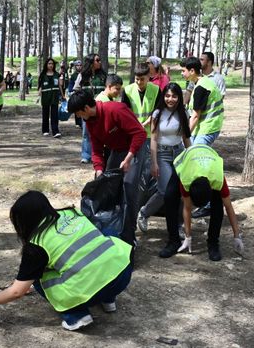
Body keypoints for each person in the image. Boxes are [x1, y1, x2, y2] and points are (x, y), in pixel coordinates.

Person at [0, 191, 133, 331]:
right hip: (123, 274)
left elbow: (17, 292)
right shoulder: (71, 212)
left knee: (39, 278)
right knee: (107, 235)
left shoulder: (36, 244)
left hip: (94, 289)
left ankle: (76, 315)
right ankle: (109, 299)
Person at [68, 90, 147, 246]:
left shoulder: (115, 110)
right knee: (106, 186)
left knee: (128, 189)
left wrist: (128, 158)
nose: (78, 116)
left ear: (86, 108)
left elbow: (140, 133)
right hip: (116, 150)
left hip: (135, 149)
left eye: (78, 113)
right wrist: (99, 169)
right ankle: (112, 227)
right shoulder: (90, 121)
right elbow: (96, 149)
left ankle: (129, 235)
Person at [159, 144, 244, 261]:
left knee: (218, 204)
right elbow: (187, 208)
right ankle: (173, 241)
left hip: (210, 160)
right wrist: (188, 237)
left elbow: (229, 207)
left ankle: (213, 243)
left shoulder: (218, 179)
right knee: (169, 197)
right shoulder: (186, 179)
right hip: (185, 160)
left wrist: (237, 236)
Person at [137, 82, 191, 233]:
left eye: (174, 96)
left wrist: (191, 155)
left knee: (182, 190)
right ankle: (144, 213)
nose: (170, 99)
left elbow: (186, 137)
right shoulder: (157, 113)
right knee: (165, 190)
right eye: (167, 96)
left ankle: (179, 225)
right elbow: (153, 139)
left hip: (179, 153)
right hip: (162, 154)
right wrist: (154, 163)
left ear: (179, 97)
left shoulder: (184, 112)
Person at [180, 57, 223, 146]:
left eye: (183, 71)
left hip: (208, 127)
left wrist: (185, 137)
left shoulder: (201, 88)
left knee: (197, 152)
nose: (182, 73)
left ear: (192, 71)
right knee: (190, 150)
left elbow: (195, 116)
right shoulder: (203, 81)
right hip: (204, 126)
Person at [73, 54, 108, 164]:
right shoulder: (82, 76)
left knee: (102, 132)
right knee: (86, 132)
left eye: (100, 59)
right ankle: (86, 155)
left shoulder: (103, 76)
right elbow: (76, 90)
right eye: (97, 60)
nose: (100, 62)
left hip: (100, 109)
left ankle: (100, 155)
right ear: (91, 62)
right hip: (86, 109)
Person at [37, 58, 65, 138]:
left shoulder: (57, 74)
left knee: (54, 114)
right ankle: (45, 130)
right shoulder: (43, 75)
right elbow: (40, 86)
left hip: (54, 96)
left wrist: (63, 95)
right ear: (46, 65)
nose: (51, 65)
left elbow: (60, 85)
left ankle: (55, 131)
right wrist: (38, 96)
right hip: (45, 96)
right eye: (49, 63)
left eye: (52, 64)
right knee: (45, 113)